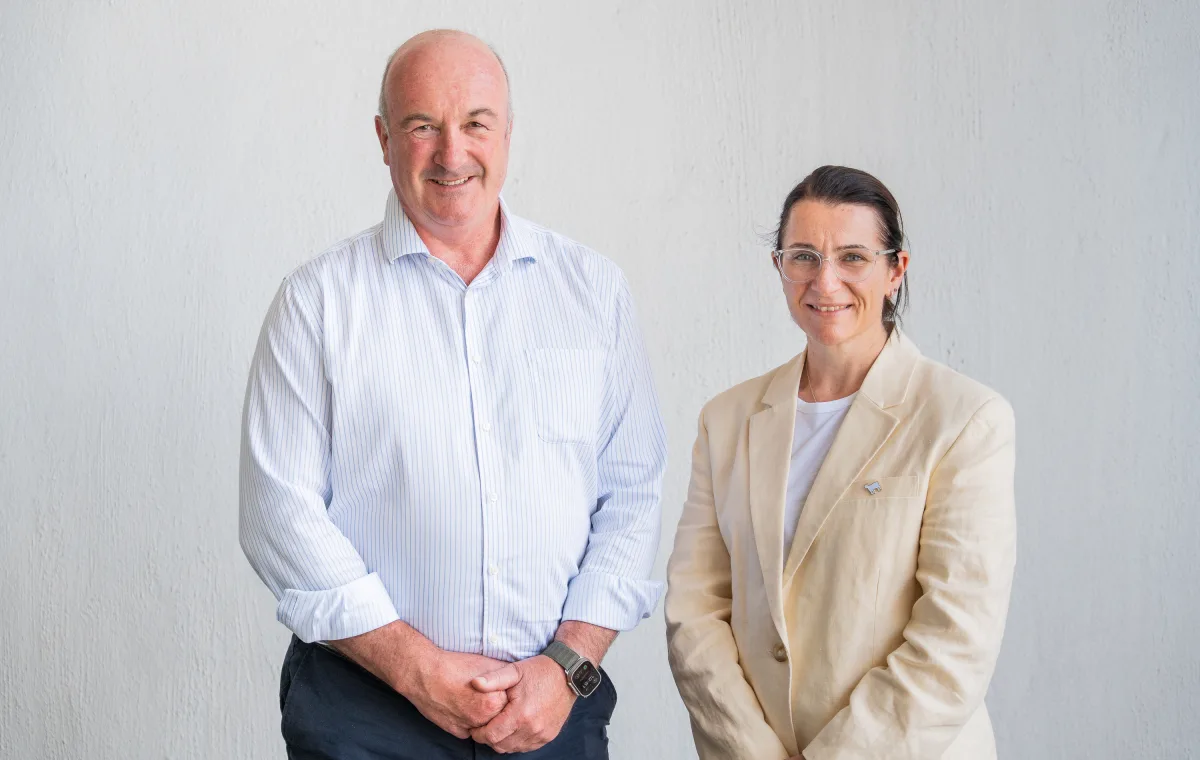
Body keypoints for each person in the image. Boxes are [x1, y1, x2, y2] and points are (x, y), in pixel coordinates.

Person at [239, 29, 666, 759]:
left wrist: (567, 666)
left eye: (475, 123)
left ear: (507, 132)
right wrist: (416, 669)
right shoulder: (316, 302)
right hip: (365, 714)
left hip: (554, 709)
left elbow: (632, 493)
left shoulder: (593, 292)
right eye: (421, 125)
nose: (452, 152)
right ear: (382, 138)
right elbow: (279, 512)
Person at [665, 165, 1016, 759]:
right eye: (803, 255)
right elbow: (695, 609)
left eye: (853, 257)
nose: (824, 282)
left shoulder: (964, 418)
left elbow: (956, 641)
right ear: (779, 267)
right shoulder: (725, 419)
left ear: (895, 271)